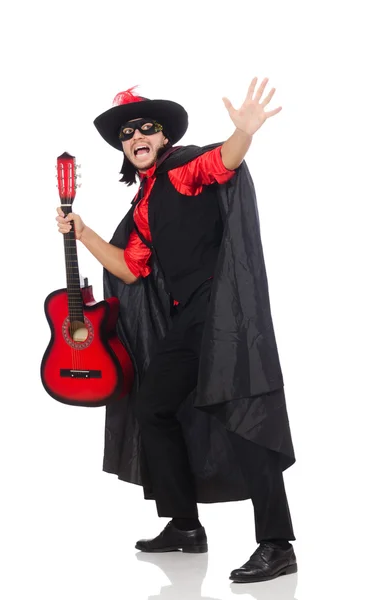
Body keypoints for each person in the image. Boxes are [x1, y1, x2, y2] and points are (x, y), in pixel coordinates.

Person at [56, 78, 297, 584]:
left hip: (223, 310)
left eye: (148, 127)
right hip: (190, 316)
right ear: (123, 148)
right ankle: (185, 525)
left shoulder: (184, 169)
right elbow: (129, 268)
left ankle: (276, 545)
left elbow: (223, 161)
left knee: (242, 413)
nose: (137, 135)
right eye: (128, 131)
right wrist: (84, 231)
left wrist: (244, 133)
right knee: (154, 405)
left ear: (163, 139)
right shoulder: (142, 207)